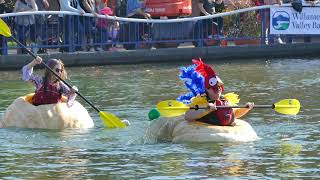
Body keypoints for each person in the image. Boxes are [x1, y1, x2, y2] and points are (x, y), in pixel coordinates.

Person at [177, 58, 254, 126]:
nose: (218, 90)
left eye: (219, 88)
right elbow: (188, 116)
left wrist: (246, 108)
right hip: (205, 128)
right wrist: (206, 109)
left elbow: (235, 113)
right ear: (207, 89)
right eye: (214, 88)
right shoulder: (202, 101)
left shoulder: (225, 100)